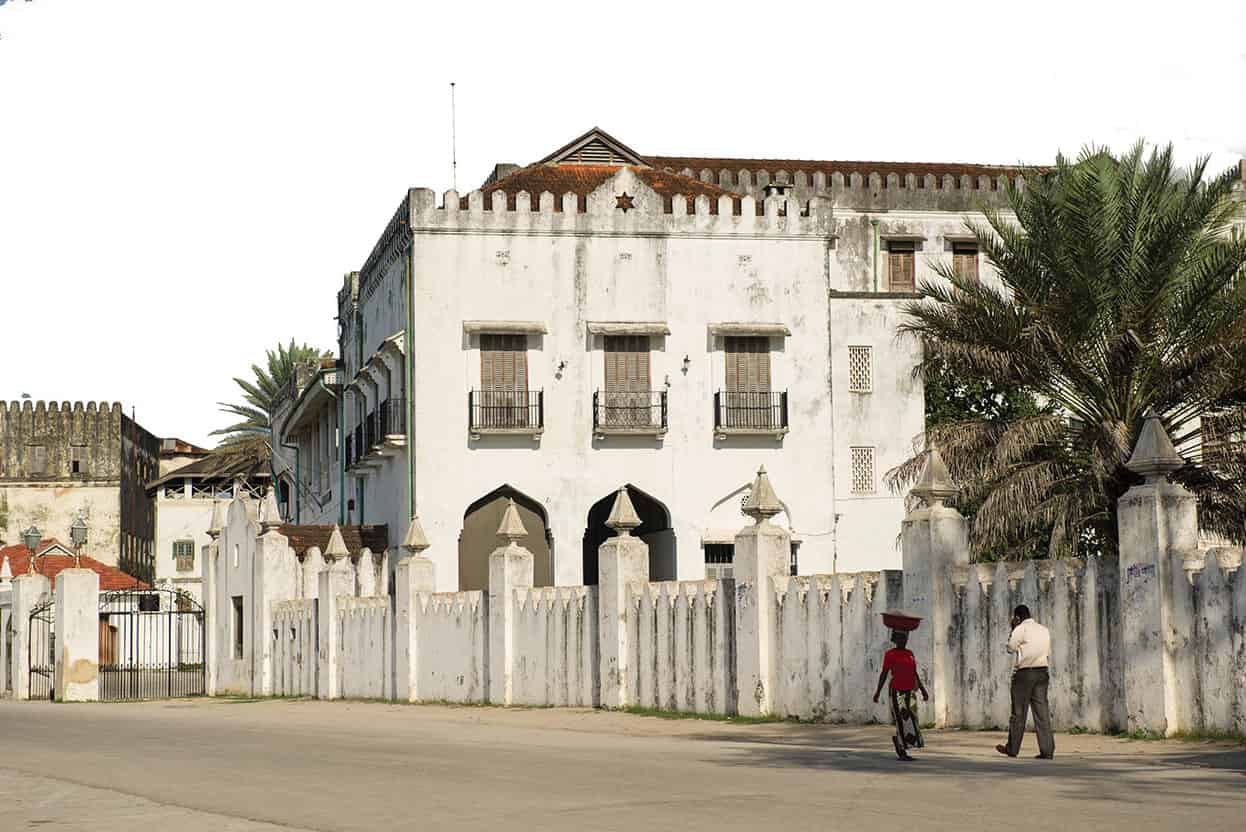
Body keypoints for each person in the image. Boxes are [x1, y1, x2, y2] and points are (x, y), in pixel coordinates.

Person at [996, 604, 1055, 760]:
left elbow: (1010, 648)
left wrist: (1013, 629)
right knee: (1042, 713)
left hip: (1024, 673)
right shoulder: (1044, 630)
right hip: (1042, 672)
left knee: (1018, 713)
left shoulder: (1020, 629)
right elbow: (1048, 653)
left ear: (1017, 617)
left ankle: (1012, 748)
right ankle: (1047, 750)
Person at [873, 629, 930, 761]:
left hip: (910, 691)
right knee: (901, 719)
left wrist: (922, 689)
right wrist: (877, 692)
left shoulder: (910, 654)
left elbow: (914, 673)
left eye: (905, 638)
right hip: (897, 691)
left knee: (912, 719)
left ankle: (899, 741)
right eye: (901, 638)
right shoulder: (890, 654)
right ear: (896, 639)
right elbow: (884, 673)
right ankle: (902, 750)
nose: (904, 640)